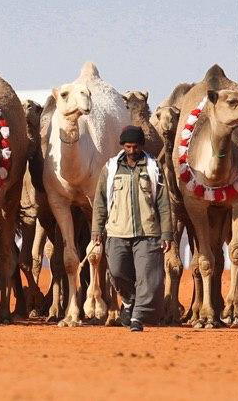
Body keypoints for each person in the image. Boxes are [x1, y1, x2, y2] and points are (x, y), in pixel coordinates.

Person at [91, 124, 173, 332]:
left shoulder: (153, 168)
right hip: (117, 231)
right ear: (122, 146)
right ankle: (129, 301)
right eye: (128, 147)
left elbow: (163, 203)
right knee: (117, 272)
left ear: (141, 146)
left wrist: (167, 233)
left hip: (148, 232)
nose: (132, 151)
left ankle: (137, 317)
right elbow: (100, 201)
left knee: (148, 277)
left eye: (135, 147)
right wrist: (97, 230)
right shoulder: (110, 169)